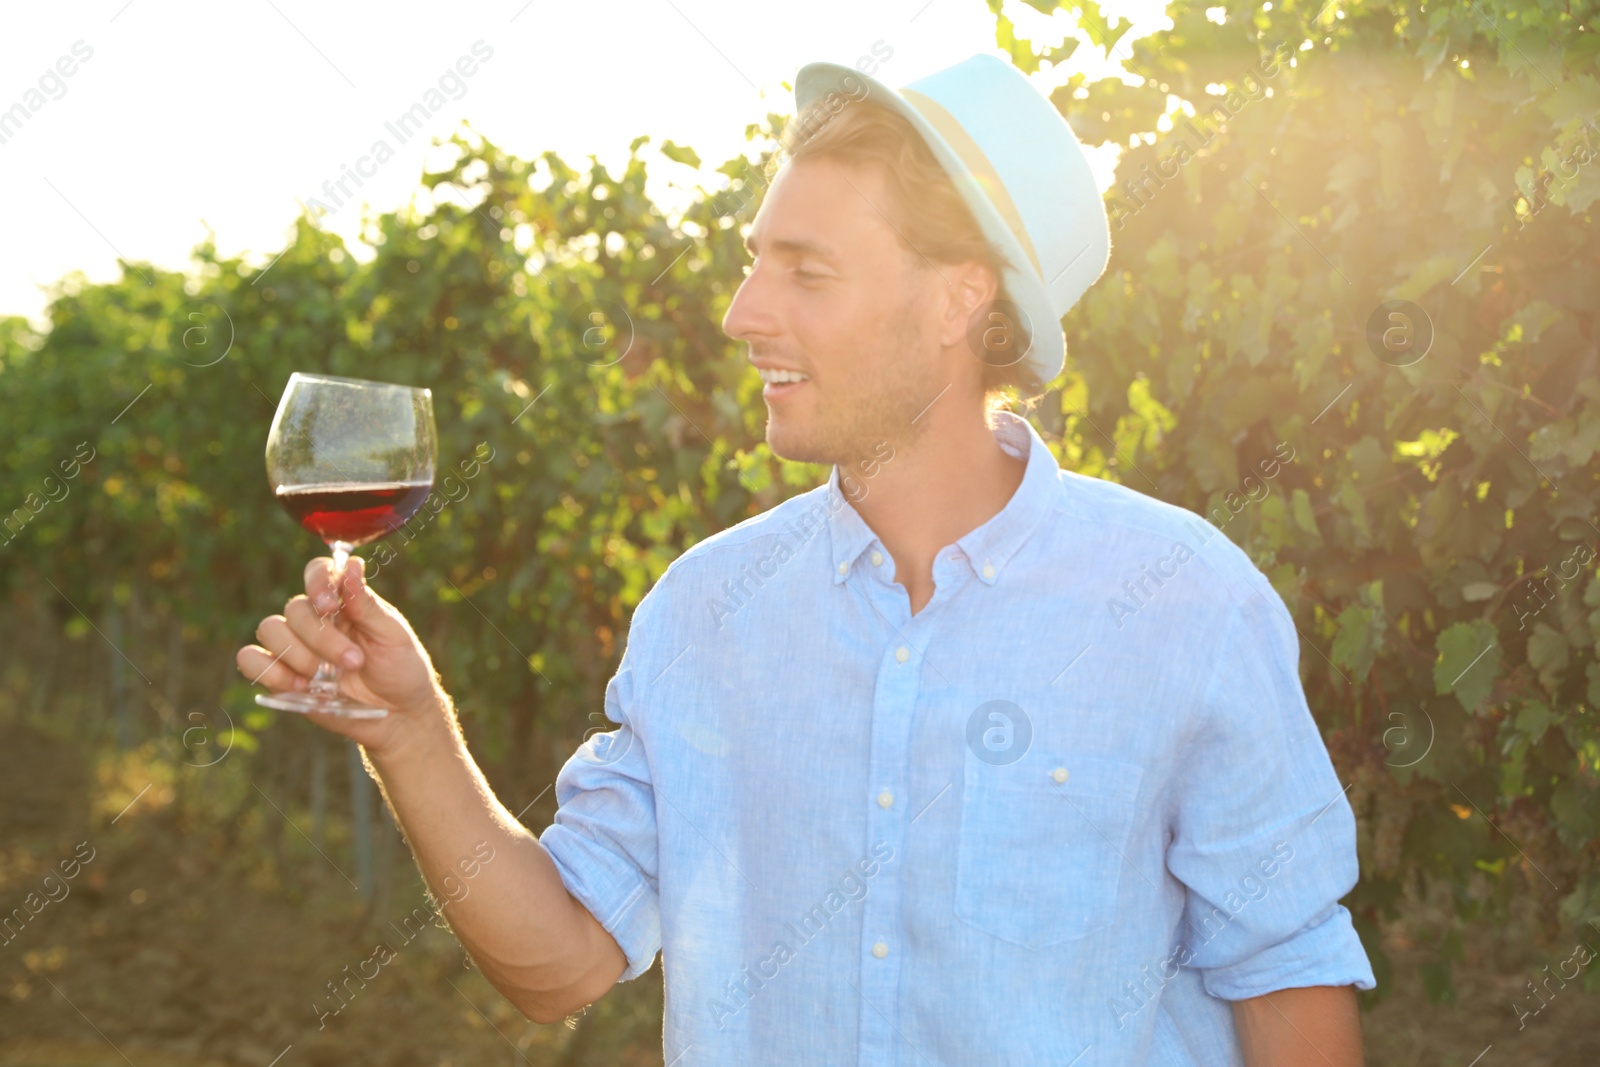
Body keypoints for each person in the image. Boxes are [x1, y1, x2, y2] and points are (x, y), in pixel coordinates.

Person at [237, 52, 1374, 1065]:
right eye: (751, 262)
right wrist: (410, 733)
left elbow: (1286, 979)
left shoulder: (1185, 602)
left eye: (805, 271)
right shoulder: (705, 612)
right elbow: (560, 964)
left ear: (958, 296)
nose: (741, 312)